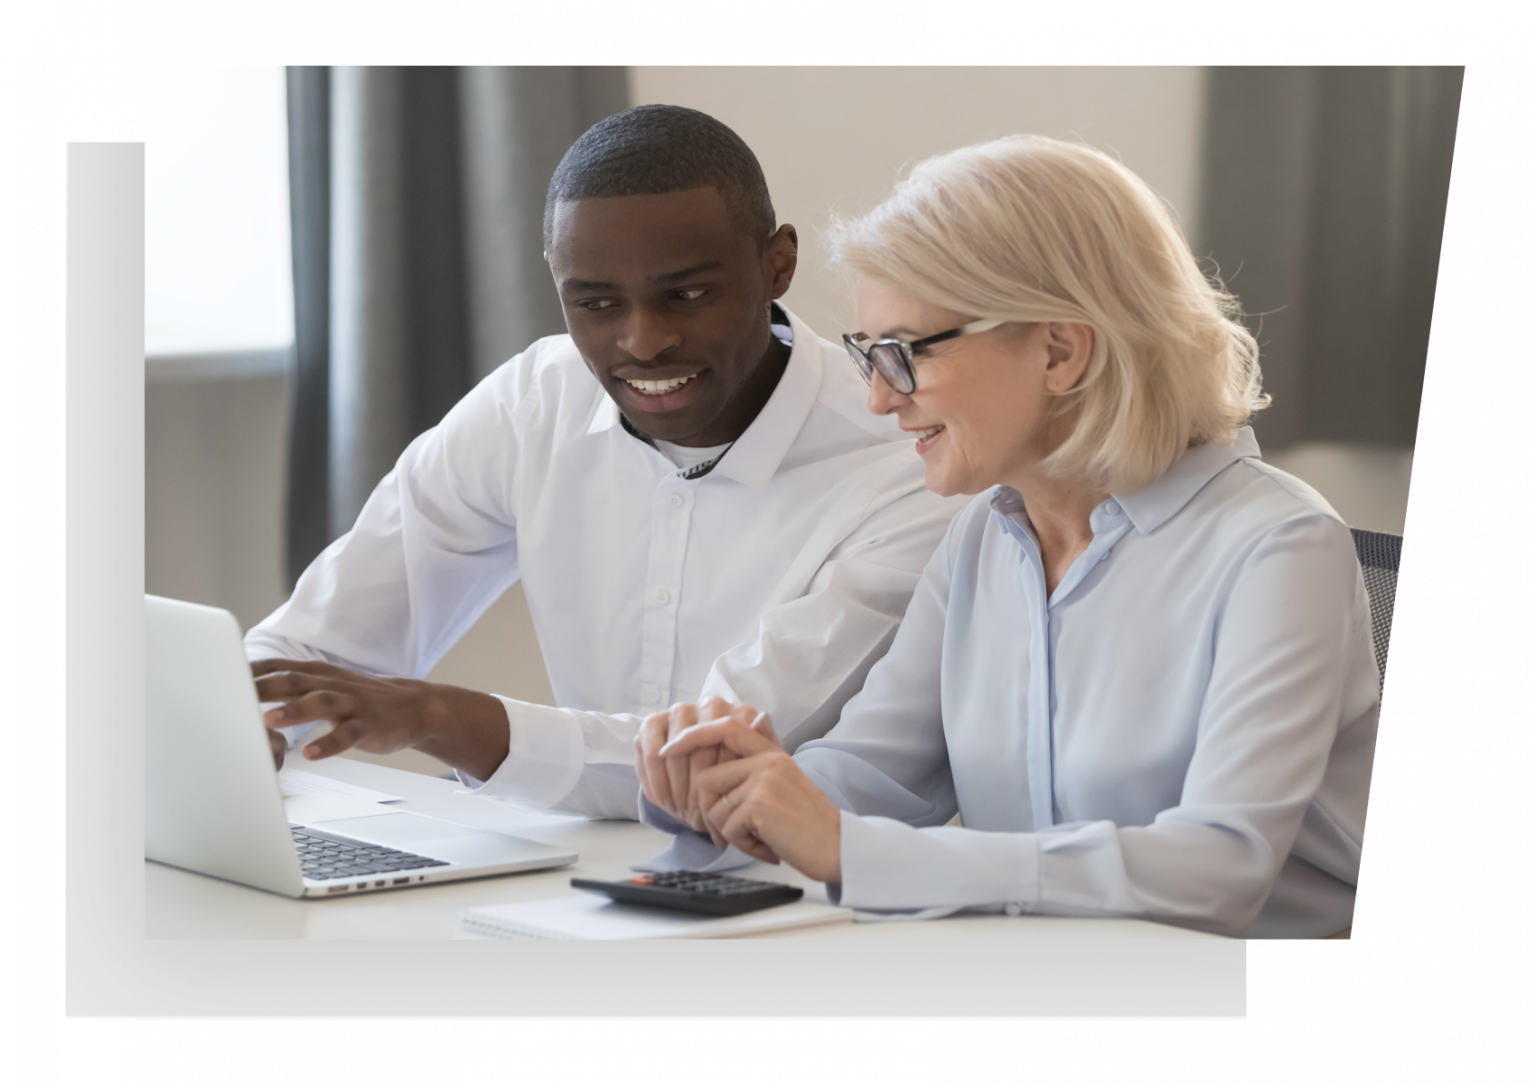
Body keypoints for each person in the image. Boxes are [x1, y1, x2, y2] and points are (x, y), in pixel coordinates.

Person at [638, 135, 1377, 938]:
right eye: (868, 356)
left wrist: (849, 848)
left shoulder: (1280, 547)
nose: (880, 400)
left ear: (1060, 351)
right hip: (1037, 970)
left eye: (901, 354)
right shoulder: (981, 538)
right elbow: (876, 772)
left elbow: (1220, 868)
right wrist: (732, 789)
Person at [246, 105, 966, 817]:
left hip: (785, 874)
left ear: (776, 264)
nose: (643, 342)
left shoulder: (903, 459)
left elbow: (713, 757)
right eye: (595, 304)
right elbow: (315, 647)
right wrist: (246, 723)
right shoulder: (534, 401)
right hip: (572, 860)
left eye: (687, 294)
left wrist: (436, 717)